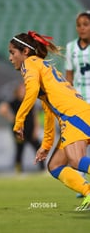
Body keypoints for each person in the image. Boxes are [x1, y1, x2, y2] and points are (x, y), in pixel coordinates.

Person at [8, 30, 90, 211]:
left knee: (76, 160)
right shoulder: (41, 66)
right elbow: (48, 111)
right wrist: (46, 145)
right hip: (78, 113)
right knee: (55, 165)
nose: (10, 57)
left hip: (73, 115)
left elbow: (30, 92)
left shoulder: (29, 64)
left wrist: (19, 120)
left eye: (12, 52)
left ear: (25, 52)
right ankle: (88, 191)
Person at [65, 10, 90, 198]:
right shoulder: (70, 47)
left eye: (86, 24)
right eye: (79, 24)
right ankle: (82, 183)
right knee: (79, 142)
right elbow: (69, 77)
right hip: (80, 102)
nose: (82, 28)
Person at [0, 82, 45, 173]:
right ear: (17, 91)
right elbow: (1, 109)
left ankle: (42, 168)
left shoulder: (29, 100)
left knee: (38, 147)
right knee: (19, 149)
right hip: (19, 131)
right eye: (21, 90)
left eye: (24, 90)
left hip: (30, 129)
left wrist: (36, 129)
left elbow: (35, 116)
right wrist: (11, 118)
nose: (23, 91)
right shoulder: (13, 102)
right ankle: (19, 170)